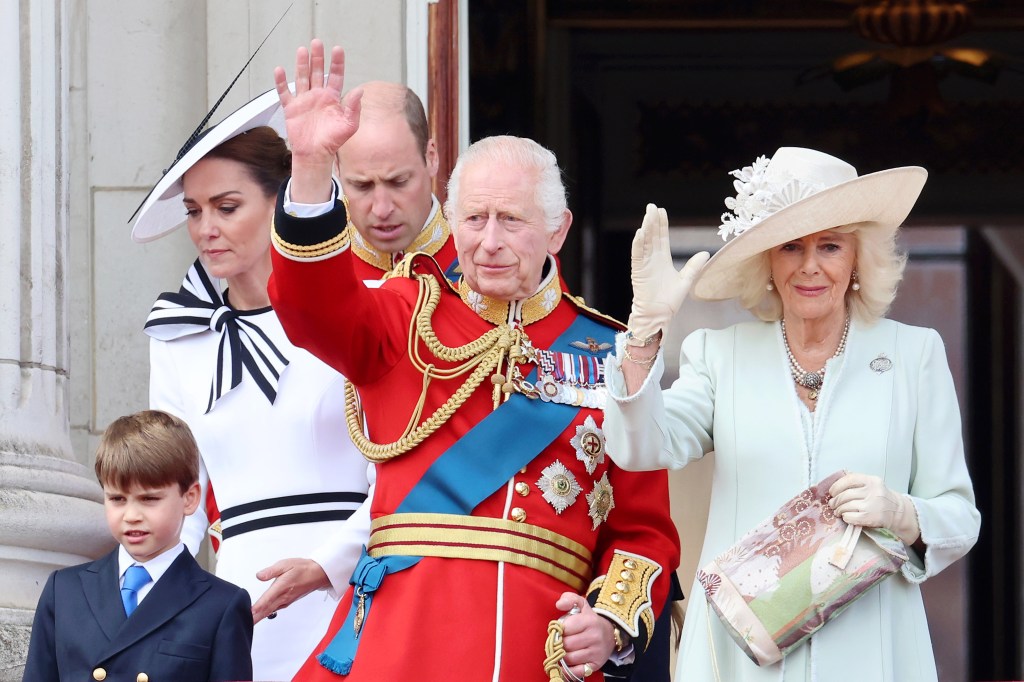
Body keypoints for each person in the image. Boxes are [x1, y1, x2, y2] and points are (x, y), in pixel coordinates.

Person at [267, 40, 680, 681]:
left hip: (538, 654)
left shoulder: (610, 354)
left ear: (558, 230)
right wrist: (311, 170)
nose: (487, 243)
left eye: (511, 220)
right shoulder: (406, 311)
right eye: (474, 218)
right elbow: (310, 308)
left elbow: (643, 530)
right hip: (401, 647)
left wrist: (610, 623)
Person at [602, 147, 981, 681]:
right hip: (741, 654)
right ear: (768, 264)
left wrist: (900, 511)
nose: (809, 265)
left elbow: (960, 518)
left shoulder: (913, 356)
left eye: (830, 246)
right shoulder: (719, 354)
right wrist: (642, 335)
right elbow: (641, 446)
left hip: (872, 649)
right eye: (790, 247)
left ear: (856, 260)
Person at [131, 89, 370, 681]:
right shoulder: (176, 336)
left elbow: (396, 473)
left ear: (278, 200)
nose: (206, 228)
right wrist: (156, 616)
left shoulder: (361, 308)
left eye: (226, 206)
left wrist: (327, 563)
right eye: (193, 211)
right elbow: (176, 495)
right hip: (240, 603)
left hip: (355, 588)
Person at [23, 410, 253, 682]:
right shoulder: (63, 591)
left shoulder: (221, 605)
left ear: (190, 498)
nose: (131, 515)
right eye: (118, 499)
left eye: (149, 499)